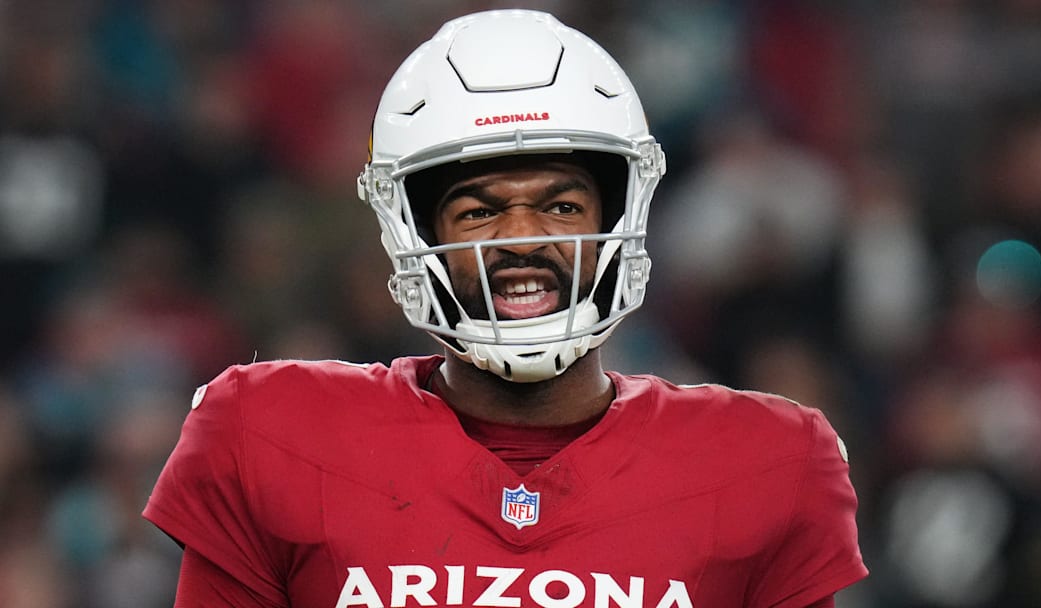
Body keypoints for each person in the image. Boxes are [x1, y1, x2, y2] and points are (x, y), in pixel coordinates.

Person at [144, 10, 868, 607]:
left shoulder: (765, 463)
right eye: (479, 211)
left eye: (560, 204)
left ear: (620, 215)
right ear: (414, 232)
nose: (522, 239)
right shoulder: (270, 434)